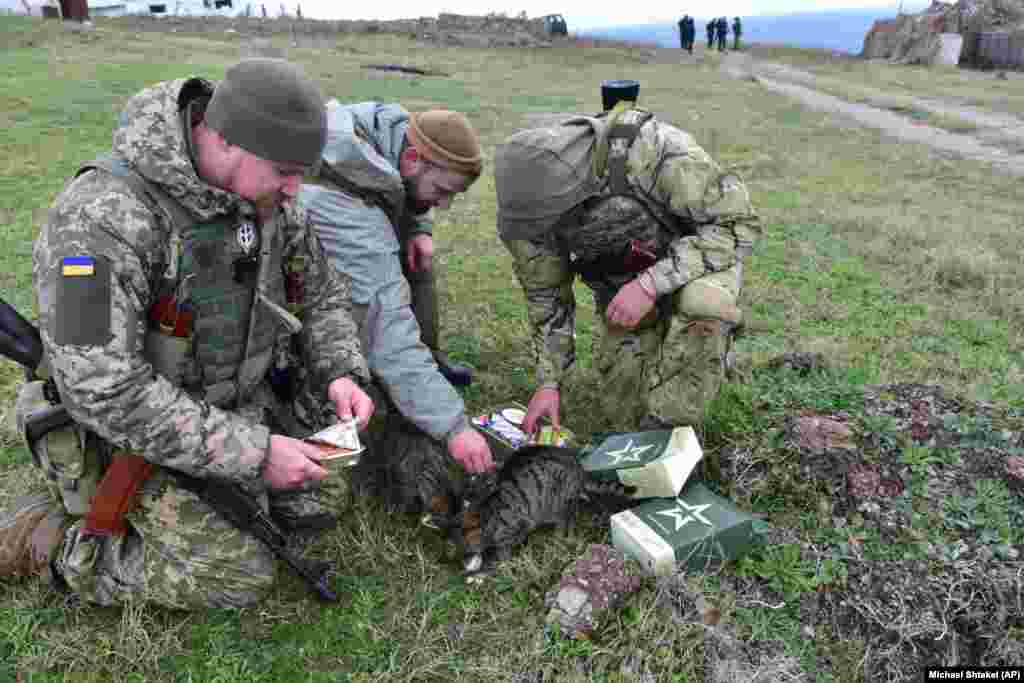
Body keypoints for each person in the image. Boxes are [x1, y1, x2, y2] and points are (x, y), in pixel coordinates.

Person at [0, 59, 374, 609]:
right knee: (235, 573)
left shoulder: (269, 201)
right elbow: (101, 390)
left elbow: (321, 292)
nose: (297, 190)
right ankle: (43, 538)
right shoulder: (97, 220)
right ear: (223, 140)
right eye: (286, 171)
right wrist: (255, 454)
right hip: (133, 433)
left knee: (319, 500)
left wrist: (342, 370)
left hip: (240, 404)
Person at [494, 84, 761, 436]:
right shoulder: (528, 214)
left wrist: (650, 284)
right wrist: (549, 383)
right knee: (624, 416)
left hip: (700, 260)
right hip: (622, 288)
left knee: (703, 309)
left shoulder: (656, 151)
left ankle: (671, 437)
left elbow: (737, 225)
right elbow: (547, 299)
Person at [297, 101, 494, 515]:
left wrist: (419, 226)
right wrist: (455, 428)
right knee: (362, 416)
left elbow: (403, 183)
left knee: (416, 260)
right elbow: (388, 337)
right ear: (411, 159)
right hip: (291, 317)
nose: (443, 205)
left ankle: (427, 377)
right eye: (441, 192)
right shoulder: (348, 212)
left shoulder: (388, 130)